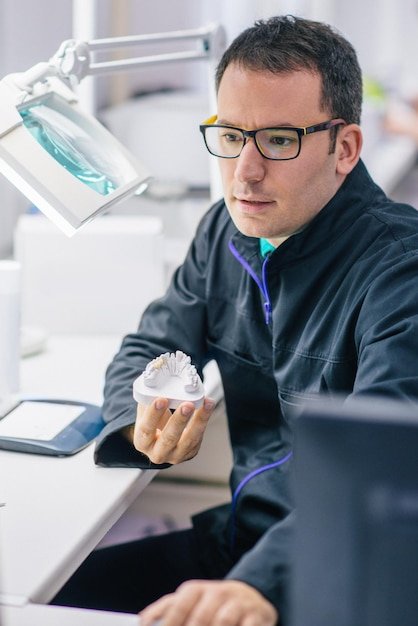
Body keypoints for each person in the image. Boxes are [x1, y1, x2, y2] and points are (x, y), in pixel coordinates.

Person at [52, 14, 418, 626]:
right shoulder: (229, 229)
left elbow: (376, 475)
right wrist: (142, 418)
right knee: (48, 599)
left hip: (341, 569)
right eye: (230, 135)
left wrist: (262, 585)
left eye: (278, 140)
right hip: (238, 543)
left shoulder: (399, 274)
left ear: (345, 148)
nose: (244, 171)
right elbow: (151, 342)